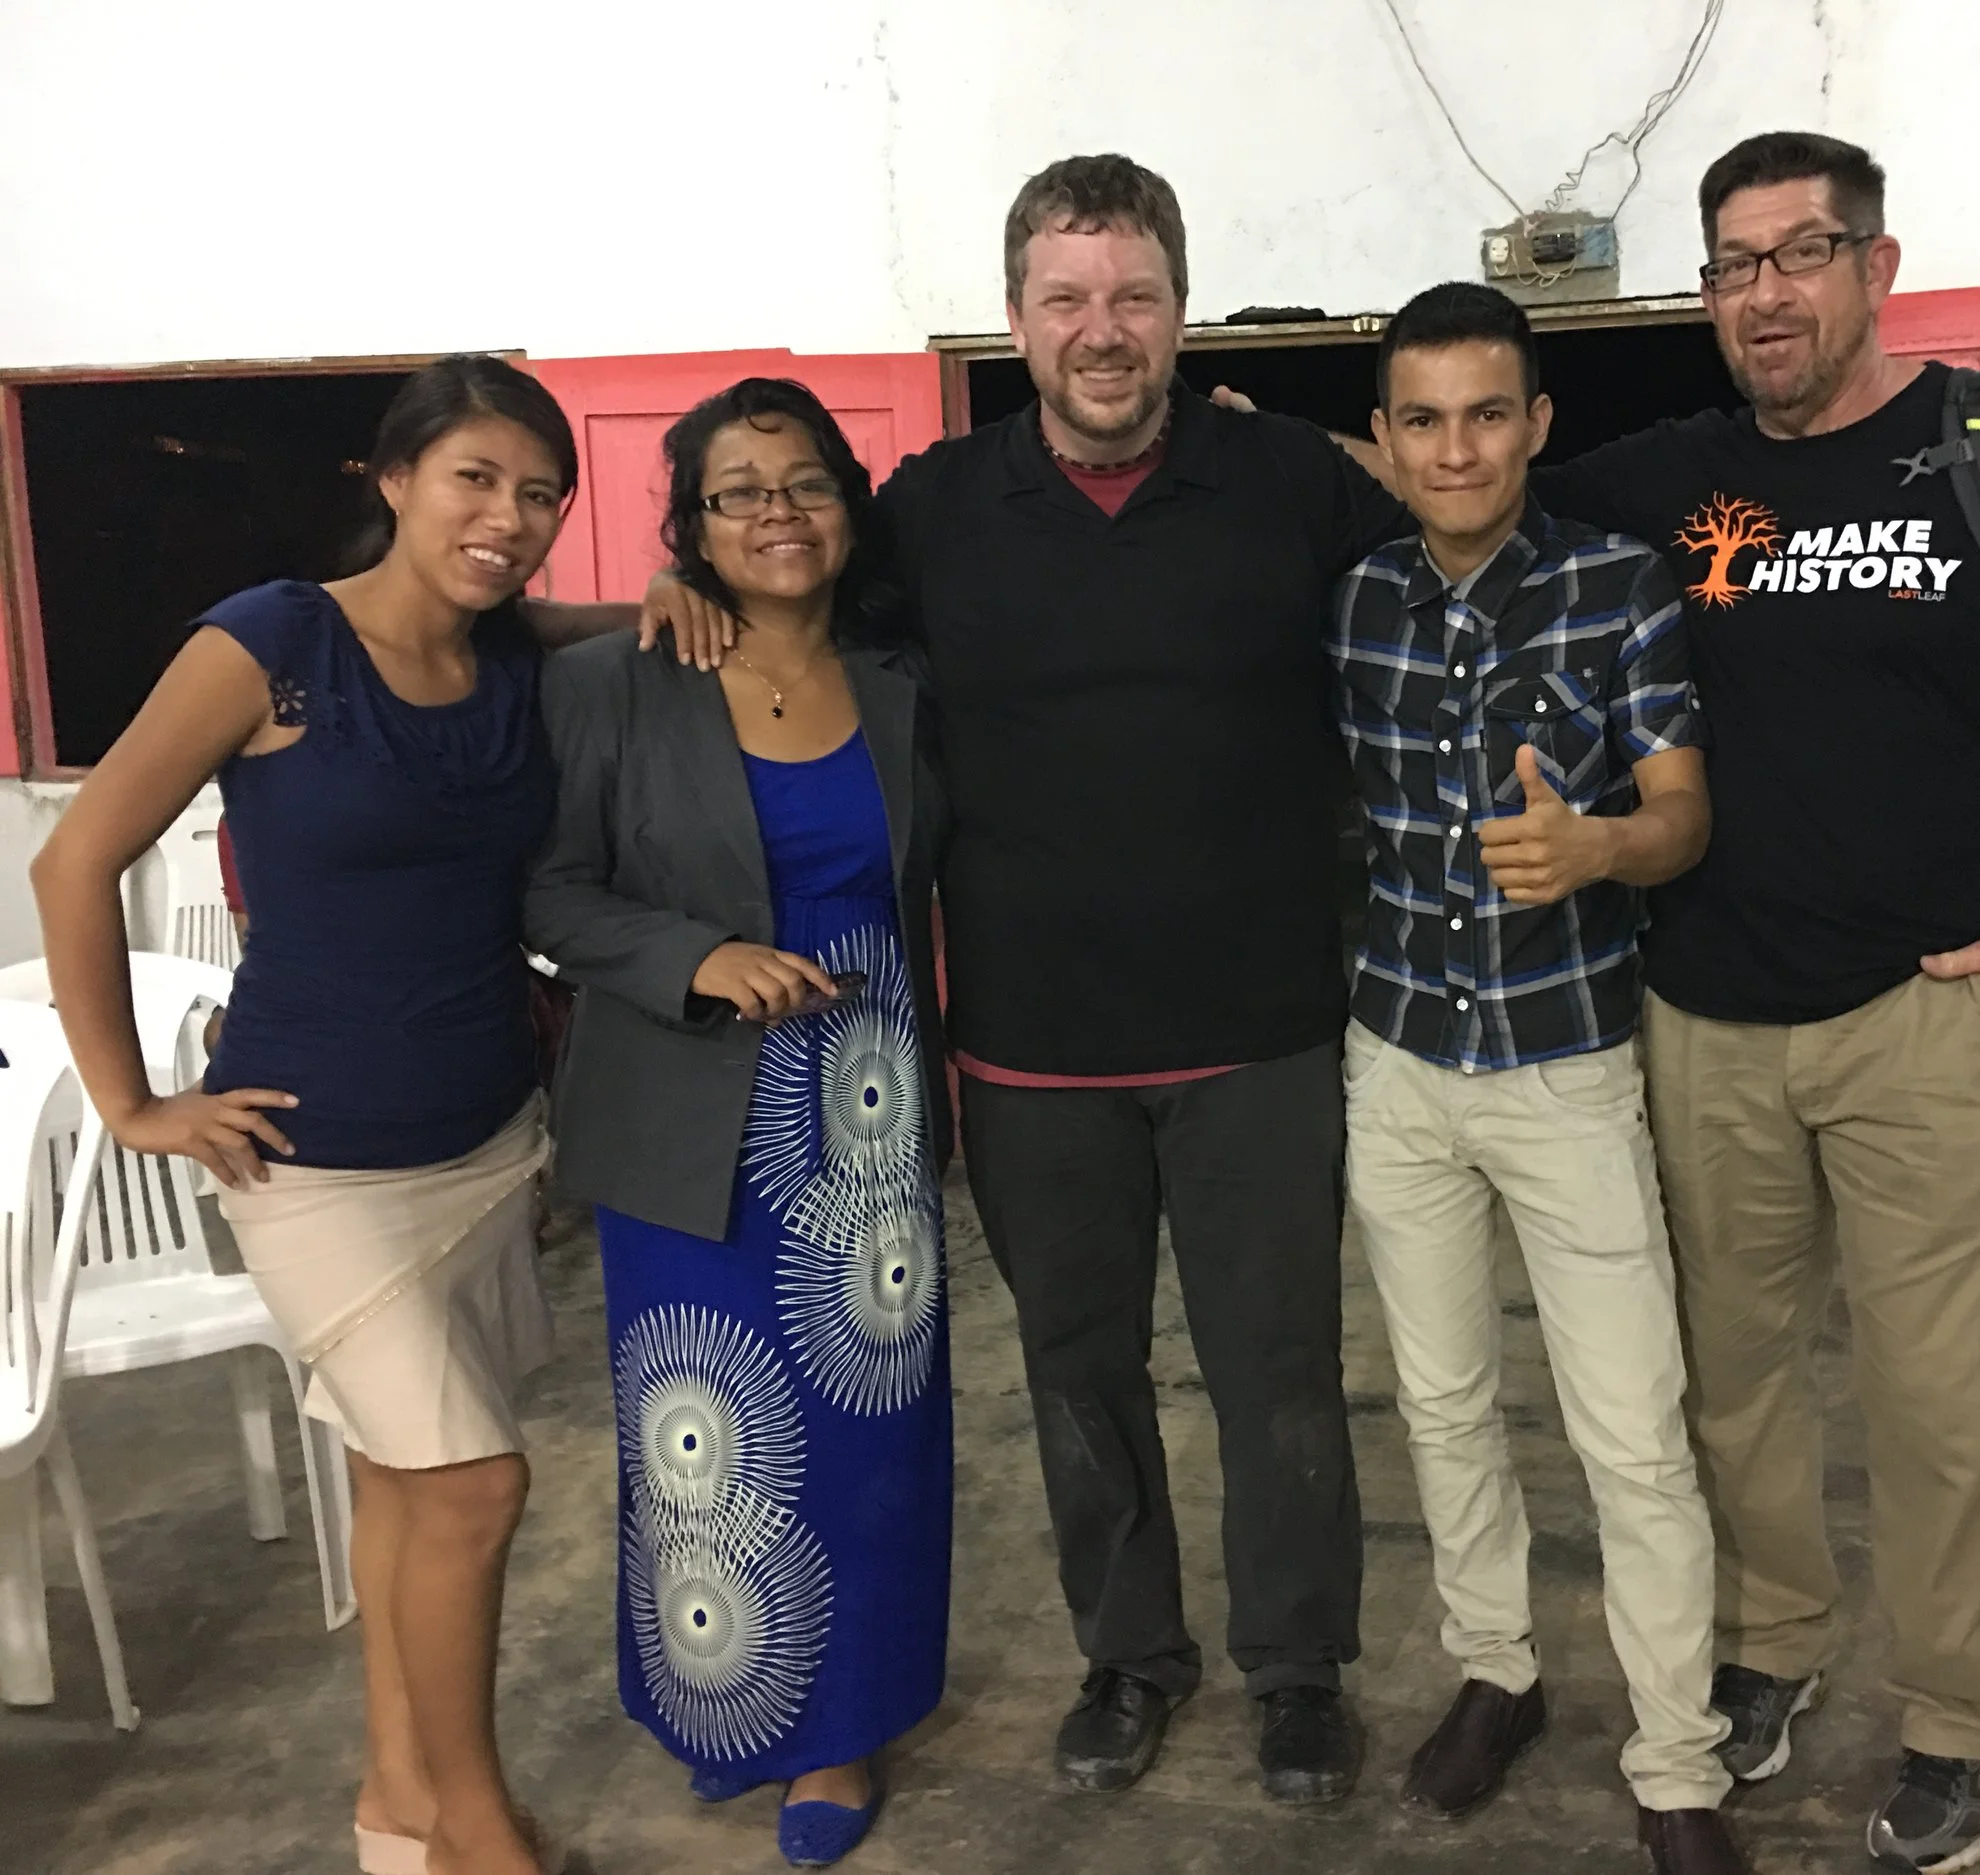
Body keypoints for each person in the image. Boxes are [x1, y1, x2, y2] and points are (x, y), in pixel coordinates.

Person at [641, 154, 1407, 1805]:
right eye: (1066, 298)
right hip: (1032, 1049)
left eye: (1132, 294)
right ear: (1015, 320)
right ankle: (1129, 1657)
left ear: (1181, 306)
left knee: (1279, 1368)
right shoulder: (933, 510)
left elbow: (1465, 547)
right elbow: (789, 599)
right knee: (1078, 1372)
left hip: (1263, 1038)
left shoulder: (1293, 484)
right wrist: (680, 578)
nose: (1102, 330)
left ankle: (1297, 1668)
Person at [1514, 134, 1980, 1872]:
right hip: (1708, 1023)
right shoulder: (1665, 481)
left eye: (1802, 253)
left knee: (1949, 1401)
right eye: (1734, 263)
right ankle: (1771, 1649)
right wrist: (1264, 444)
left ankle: (1961, 1722)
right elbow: (1460, 490)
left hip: (1933, 1016)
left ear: (1877, 268)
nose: (1765, 292)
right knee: (1733, 1385)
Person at [33, 355, 585, 1875]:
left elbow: (612, 634)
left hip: (482, 1145)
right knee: (474, 1483)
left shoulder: (518, 661)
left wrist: (682, 599)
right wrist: (131, 1099)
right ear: (393, 478)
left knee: (407, 1485)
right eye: (477, 476)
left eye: (541, 493)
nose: (509, 516)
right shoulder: (274, 644)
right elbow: (73, 861)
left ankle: (398, 1807)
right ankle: (481, 1833)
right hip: (314, 1160)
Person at [1331, 281, 1745, 1875]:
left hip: (1567, 1063)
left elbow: (1684, 813)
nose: (1458, 447)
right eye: (1422, 418)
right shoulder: (1356, 599)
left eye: (1487, 413)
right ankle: (1496, 1669)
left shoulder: (1616, 585)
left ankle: (1676, 1759)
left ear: (1537, 423)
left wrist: (1597, 850)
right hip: (1401, 1060)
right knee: (1441, 1402)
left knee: (1632, 1426)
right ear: (1383, 440)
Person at [525, 378, 950, 1869]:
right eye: (738, 491)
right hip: (690, 1107)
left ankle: (840, 1724)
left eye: (807, 482)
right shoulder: (617, 680)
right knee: (702, 1428)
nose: (779, 514)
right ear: (689, 523)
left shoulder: (902, 670)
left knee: (867, 1430)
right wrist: (691, 960)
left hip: (870, 1107)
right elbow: (551, 892)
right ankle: (726, 1700)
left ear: (851, 500)